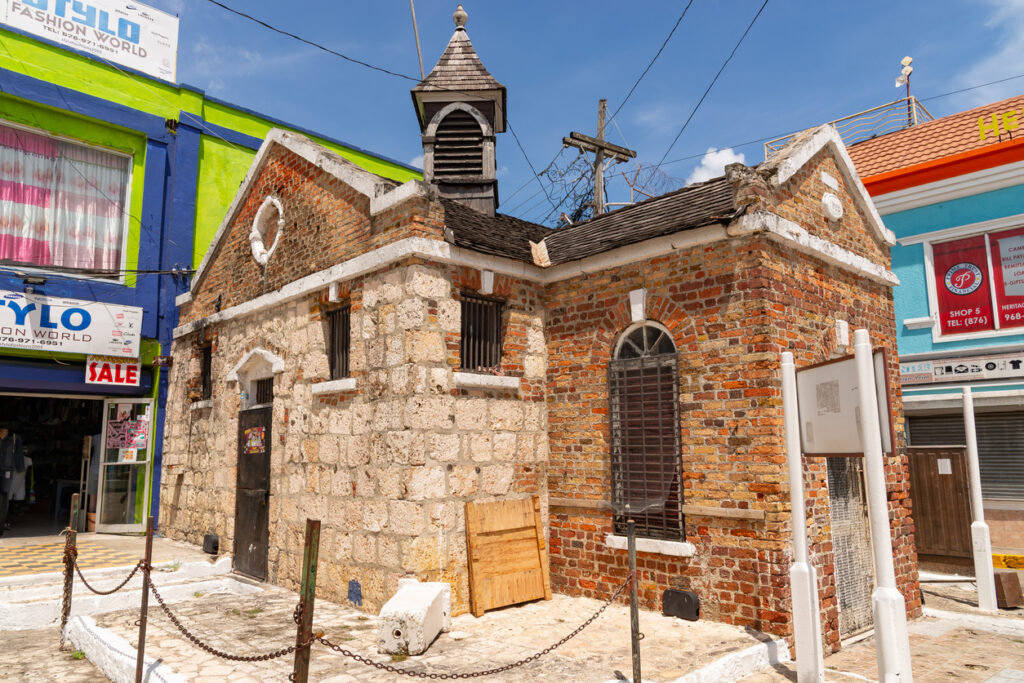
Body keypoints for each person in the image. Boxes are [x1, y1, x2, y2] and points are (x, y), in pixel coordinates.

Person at [0, 425, 26, 536]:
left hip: (7, 471)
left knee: (4, 498)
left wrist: (20, 469)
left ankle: (1, 524)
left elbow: (18, 454)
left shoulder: (15, 438)